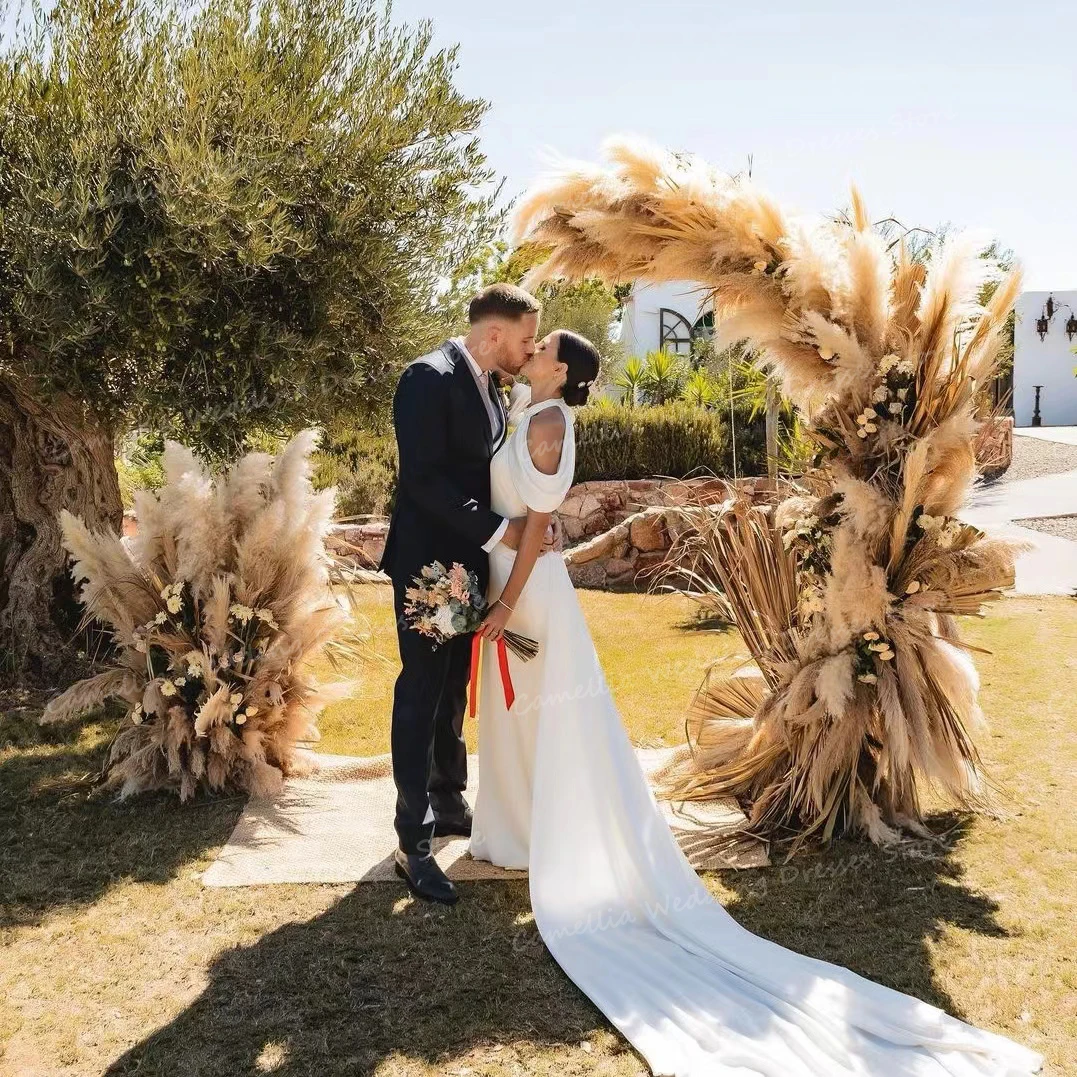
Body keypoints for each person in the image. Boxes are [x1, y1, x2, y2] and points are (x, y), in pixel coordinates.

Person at [465, 328, 1044, 1076]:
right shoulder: (521, 407)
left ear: (563, 371)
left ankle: (547, 837)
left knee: (553, 723)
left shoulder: (548, 422)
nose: (533, 349)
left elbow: (539, 525)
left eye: (543, 347)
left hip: (531, 595)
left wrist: (504, 601)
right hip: (512, 586)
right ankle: (514, 830)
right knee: (520, 724)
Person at [379, 283, 557, 905]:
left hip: (468, 565)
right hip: (429, 566)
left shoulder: (490, 386)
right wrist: (498, 528)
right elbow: (423, 482)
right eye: (526, 339)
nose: (530, 349)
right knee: (422, 691)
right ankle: (412, 842)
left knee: (454, 682)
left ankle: (449, 799)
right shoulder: (425, 379)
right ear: (492, 336)